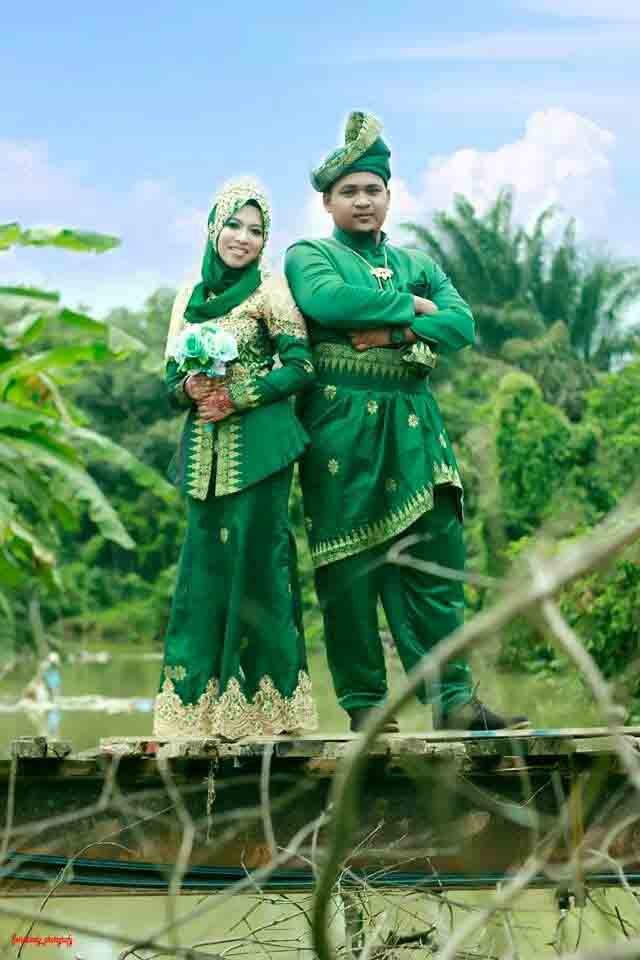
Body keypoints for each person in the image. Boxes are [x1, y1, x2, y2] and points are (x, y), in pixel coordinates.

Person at [285, 112, 528, 732]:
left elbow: (461, 325)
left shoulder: (417, 260)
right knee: (347, 574)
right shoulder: (310, 256)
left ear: (389, 196)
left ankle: (455, 702)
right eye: (349, 191)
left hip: (416, 426)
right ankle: (367, 709)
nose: (363, 201)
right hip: (340, 429)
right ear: (327, 202)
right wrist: (417, 309)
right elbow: (328, 301)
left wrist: (394, 332)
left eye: (373, 189)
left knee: (437, 562)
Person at [153, 177, 318, 739]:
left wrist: (240, 395)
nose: (243, 238)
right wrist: (190, 387)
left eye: (256, 230)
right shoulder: (189, 296)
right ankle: (197, 710)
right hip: (204, 454)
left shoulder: (271, 291)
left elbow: (301, 366)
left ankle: (267, 709)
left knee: (258, 564)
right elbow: (170, 383)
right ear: (212, 227)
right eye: (233, 225)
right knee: (203, 570)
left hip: (261, 451)